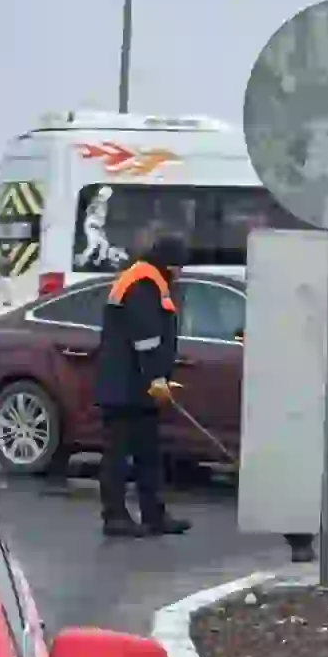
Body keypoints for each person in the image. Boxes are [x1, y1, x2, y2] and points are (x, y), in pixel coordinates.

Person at [96, 230, 190, 538]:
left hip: (136, 388)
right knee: (119, 456)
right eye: (178, 267)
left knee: (148, 454)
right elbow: (146, 338)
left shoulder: (148, 279)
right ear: (168, 264)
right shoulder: (143, 284)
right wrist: (156, 377)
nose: (179, 274)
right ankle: (115, 516)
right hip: (125, 388)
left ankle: (154, 515)